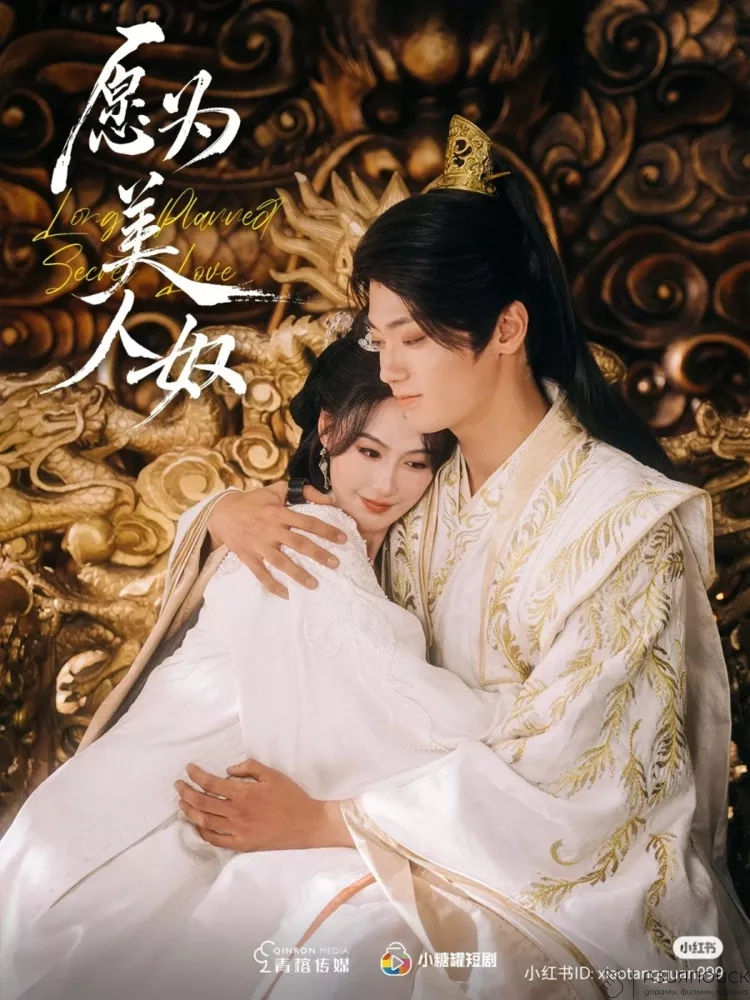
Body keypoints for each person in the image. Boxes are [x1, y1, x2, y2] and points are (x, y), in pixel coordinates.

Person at [173, 115, 750, 996]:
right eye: (381, 339)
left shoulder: (623, 524)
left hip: (562, 890)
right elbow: (306, 569)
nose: (391, 369)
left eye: (415, 338)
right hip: (391, 825)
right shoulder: (413, 482)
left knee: (341, 956)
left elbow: (584, 789)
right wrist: (220, 514)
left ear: (508, 328)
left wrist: (330, 822)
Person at [0, 332, 498, 1000]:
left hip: (106, 823)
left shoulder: (302, 523)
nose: (386, 484)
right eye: (368, 451)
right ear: (328, 430)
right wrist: (532, 722)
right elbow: (411, 713)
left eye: (416, 462)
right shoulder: (311, 543)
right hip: (131, 846)